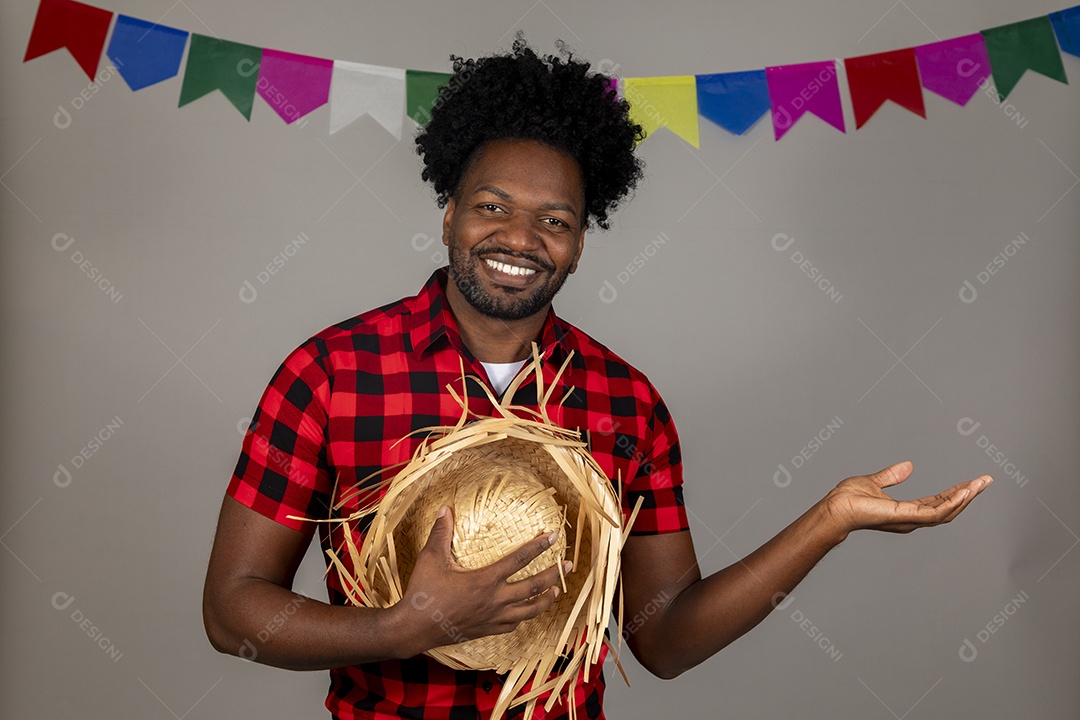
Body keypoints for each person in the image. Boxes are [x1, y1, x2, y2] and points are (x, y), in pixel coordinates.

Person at [202, 38, 991, 720]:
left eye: (555, 220)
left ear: (580, 245)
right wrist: (407, 628)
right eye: (491, 206)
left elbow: (666, 638)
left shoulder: (626, 403)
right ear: (448, 215)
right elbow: (232, 610)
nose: (519, 237)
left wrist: (828, 521)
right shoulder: (331, 373)